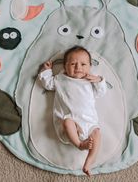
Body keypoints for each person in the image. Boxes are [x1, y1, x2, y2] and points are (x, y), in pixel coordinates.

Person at [38, 46, 107, 176]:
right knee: (67, 121)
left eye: (83, 64)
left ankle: (89, 161)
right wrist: (46, 71)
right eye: (73, 64)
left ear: (90, 66)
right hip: (69, 122)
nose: (78, 68)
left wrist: (99, 80)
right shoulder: (60, 79)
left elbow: (101, 92)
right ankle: (79, 144)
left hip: (89, 123)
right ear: (65, 66)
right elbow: (48, 84)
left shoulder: (91, 80)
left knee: (97, 133)